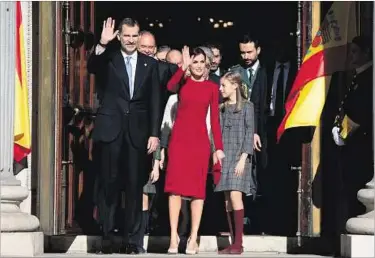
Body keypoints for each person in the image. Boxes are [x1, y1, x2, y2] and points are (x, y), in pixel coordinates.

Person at [87, 17, 161, 254]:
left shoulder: (150, 65)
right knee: (108, 186)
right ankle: (107, 239)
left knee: (133, 188)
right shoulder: (109, 57)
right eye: (126, 35)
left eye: (134, 35)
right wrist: (101, 43)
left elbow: (155, 102)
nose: (130, 40)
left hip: (137, 135)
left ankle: (131, 241)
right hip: (111, 131)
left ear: (139, 36)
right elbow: (91, 66)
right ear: (119, 36)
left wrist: (154, 134)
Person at [164, 46, 225, 254]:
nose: (198, 66)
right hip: (179, 141)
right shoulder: (183, 82)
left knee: (198, 192)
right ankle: (173, 237)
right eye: (195, 62)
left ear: (207, 64)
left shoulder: (211, 88)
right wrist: (184, 66)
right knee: (174, 191)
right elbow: (170, 86)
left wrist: (218, 148)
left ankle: (193, 238)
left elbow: (215, 121)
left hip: (199, 144)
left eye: (201, 62)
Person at [215, 72, 255, 254]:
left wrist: (244, 157)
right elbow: (217, 133)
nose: (220, 88)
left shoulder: (247, 107)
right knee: (227, 201)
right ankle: (233, 242)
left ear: (234, 86)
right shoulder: (221, 108)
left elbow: (249, 132)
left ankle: (238, 242)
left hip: (239, 157)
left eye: (224, 85)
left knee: (235, 196)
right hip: (225, 156)